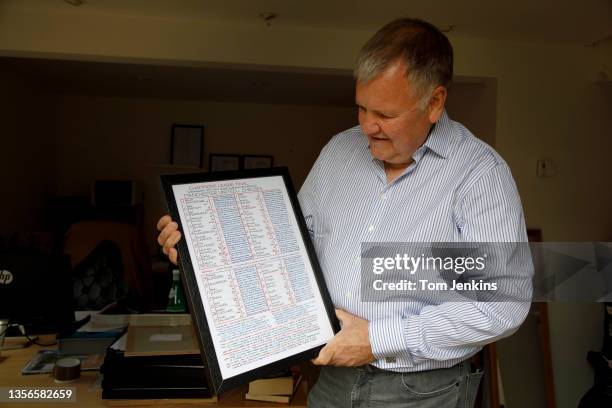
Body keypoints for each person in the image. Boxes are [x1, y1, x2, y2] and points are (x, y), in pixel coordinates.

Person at [157, 17, 533, 408]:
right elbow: (286, 247)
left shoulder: (479, 174)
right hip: (331, 377)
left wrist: (376, 341)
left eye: (386, 115)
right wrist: (200, 247)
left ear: (434, 102)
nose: (368, 126)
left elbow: (503, 304)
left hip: (421, 390)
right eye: (361, 108)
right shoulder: (339, 150)